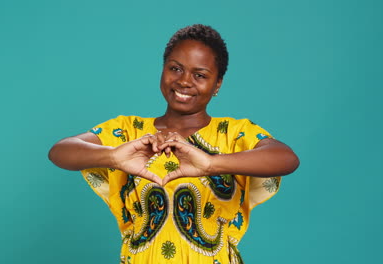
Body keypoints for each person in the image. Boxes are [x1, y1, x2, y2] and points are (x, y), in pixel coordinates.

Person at [49, 24, 299, 264]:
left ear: (217, 85)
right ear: (163, 69)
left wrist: (212, 164)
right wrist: (113, 157)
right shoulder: (130, 130)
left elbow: (286, 158)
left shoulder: (233, 134)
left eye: (199, 75)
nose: (184, 81)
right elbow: (61, 151)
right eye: (175, 69)